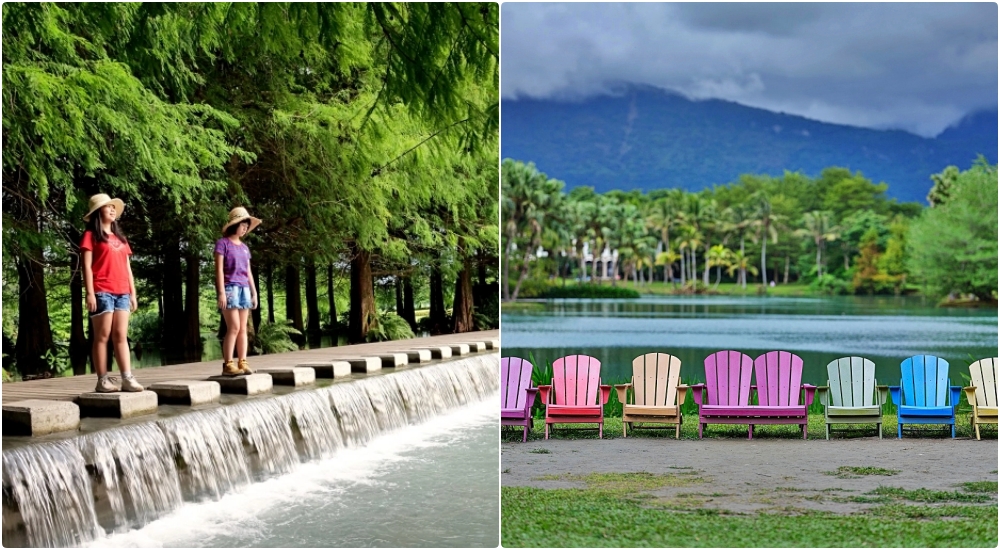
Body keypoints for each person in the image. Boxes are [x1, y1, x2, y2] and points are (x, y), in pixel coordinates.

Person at [80, 194, 144, 392]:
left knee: (121, 335)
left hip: (122, 292)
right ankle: (102, 380)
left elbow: (128, 268)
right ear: (98, 212)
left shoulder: (121, 239)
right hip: (102, 291)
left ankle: (127, 378)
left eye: (113, 207)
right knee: (103, 335)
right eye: (107, 207)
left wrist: (133, 293)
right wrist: (90, 293)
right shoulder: (90, 236)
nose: (112, 209)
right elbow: (87, 267)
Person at [215, 207, 261, 376]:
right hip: (229, 288)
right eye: (243, 225)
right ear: (235, 225)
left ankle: (242, 362)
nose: (245, 229)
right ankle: (228, 364)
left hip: (244, 289)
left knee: (243, 328)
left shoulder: (244, 248)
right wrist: (221, 292)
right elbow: (219, 270)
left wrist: (254, 292)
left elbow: (248, 272)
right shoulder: (223, 243)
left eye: (247, 226)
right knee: (233, 327)